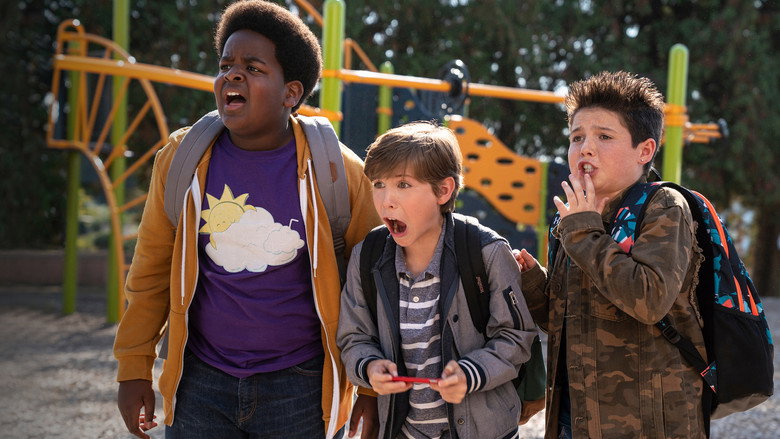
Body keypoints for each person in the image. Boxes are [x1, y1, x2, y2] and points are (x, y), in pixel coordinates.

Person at [113, 1, 381, 438]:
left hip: (300, 387)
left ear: (290, 93)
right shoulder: (183, 160)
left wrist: (368, 388)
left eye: (253, 68)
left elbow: (370, 285)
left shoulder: (337, 172)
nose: (232, 76)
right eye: (226, 66)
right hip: (200, 382)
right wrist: (133, 368)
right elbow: (150, 271)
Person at [515, 71, 707, 438]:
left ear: (644, 151)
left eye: (604, 136)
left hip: (647, 425)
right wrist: (532, 281)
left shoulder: (663, 206)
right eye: (577, 137)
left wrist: (583, 231)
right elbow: (562, 323)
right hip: (574, 418)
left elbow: (649, 300)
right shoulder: (572, 217)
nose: (585, 148)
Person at [337, 122, 538, 439]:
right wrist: (369, 366)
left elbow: (516, 338)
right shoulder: (367, 256)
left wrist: (471, 374)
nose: (386, 200)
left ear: (443, 191)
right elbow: (354, 337)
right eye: (378, 184)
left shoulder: (486, 251)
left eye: (403, 184)